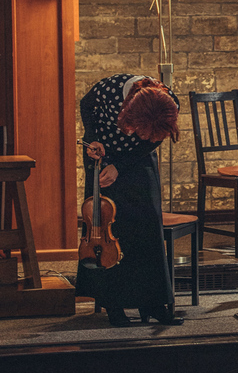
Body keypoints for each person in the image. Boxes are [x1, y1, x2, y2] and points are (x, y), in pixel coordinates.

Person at [76, 74, 183, 327]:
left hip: (136, 159)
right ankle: (114, 305)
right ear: (128, 114)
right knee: (108, 228)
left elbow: (149, 143)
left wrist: (121, 167)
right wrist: (93, 138)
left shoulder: (169, 103)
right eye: (141, 130)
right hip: (103, 153)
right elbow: (85, 105)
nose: (144, 135)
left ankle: (154, 304)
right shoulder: (109, 90)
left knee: (148, 226)